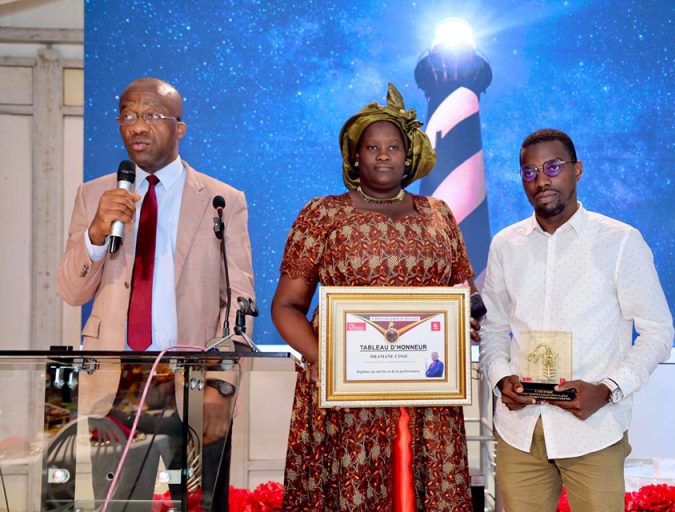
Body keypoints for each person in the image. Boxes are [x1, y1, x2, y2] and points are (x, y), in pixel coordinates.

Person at [272, 83, 474, 511]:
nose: (383, 155)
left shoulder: (439, 214)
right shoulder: (322, 214)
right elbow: (286, 307)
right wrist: (327, 362)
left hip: (427, 395)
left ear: (409, 156)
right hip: (346, 395)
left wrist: (468, 323)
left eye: (393, 147)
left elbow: (465, 295)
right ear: (355, 156)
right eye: (372, 147)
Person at [56, 77, 254, 511]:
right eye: (128, 115)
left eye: (151, 115)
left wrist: (222, 386)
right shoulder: (95, 195)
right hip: (117, 386)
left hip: (195, 383)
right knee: (121, 507)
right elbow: (72, 290)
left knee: (202, 506)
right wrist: (96, 232)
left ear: (179, 128)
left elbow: (238, 303)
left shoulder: (222, 199)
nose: (137, 126)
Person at [480, 128, 674, 512]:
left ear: (578, 169)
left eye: (553, 167)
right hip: (521, 430)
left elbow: (658, 332)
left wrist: (608, 390)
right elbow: (492, 328)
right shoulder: (505, 244)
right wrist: (501, 378)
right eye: (530, 172)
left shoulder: (620, 241)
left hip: (592, 429)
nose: (542, 180)